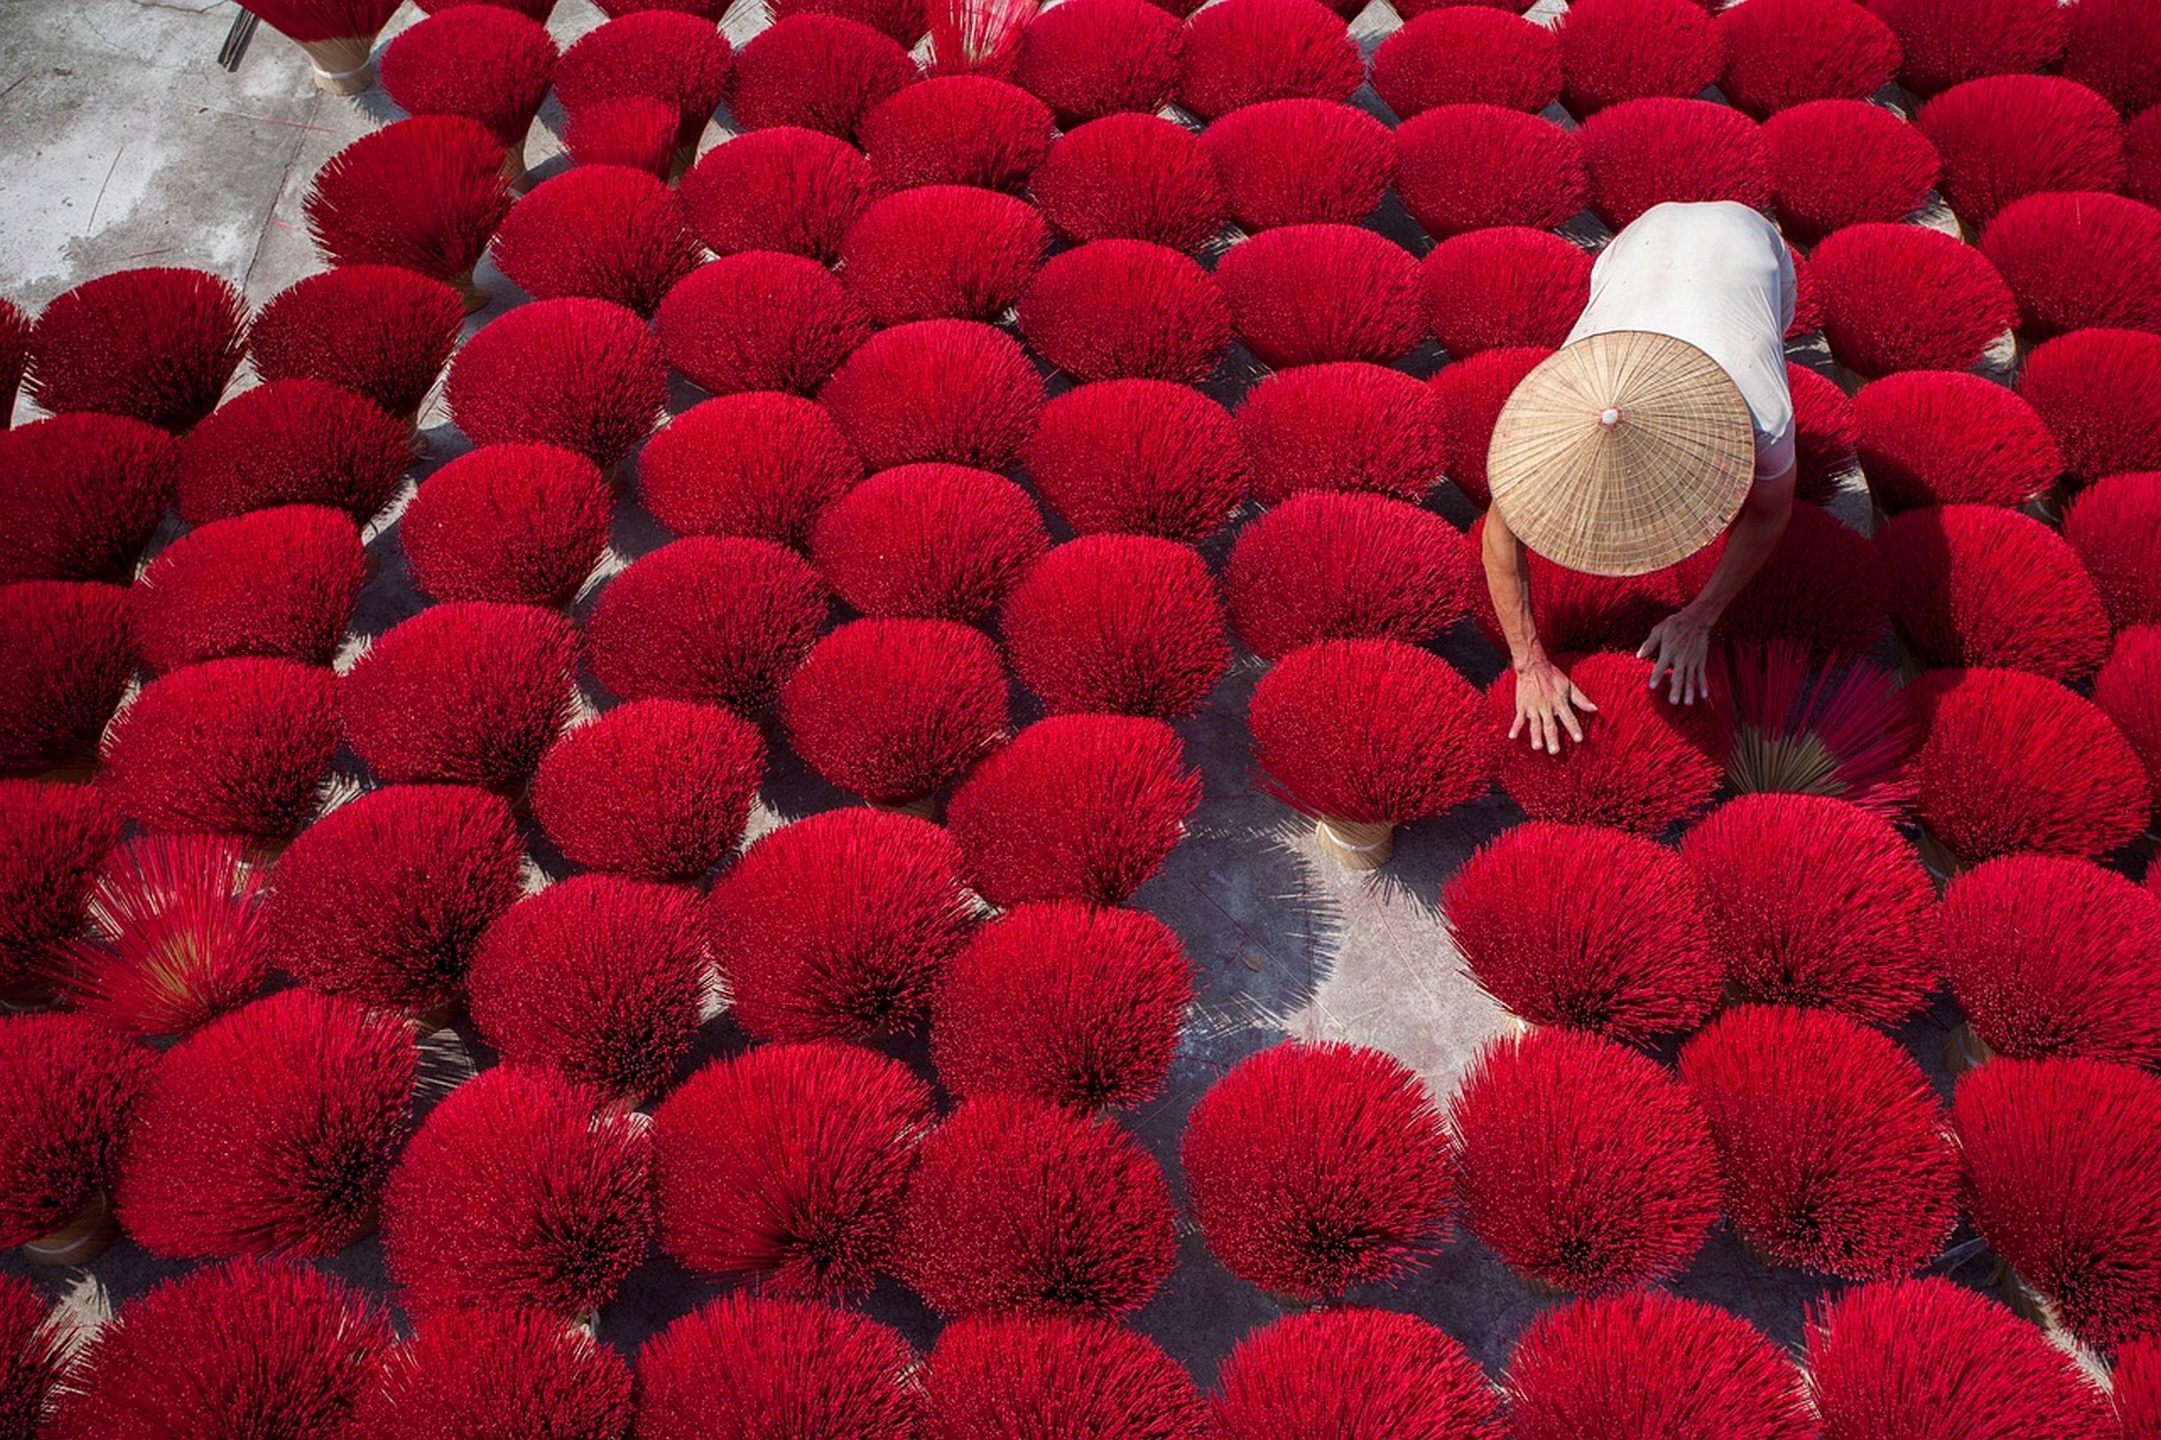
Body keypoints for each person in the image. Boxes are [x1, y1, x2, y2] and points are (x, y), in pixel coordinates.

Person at [1481, 200, 1798, 753]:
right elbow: (1499, 534)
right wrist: (1528, 662)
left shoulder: (1761, 410)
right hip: (1643, 239)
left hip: (1748, 243)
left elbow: (1771, 511)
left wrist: (1701, 615)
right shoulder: (1548, 405)